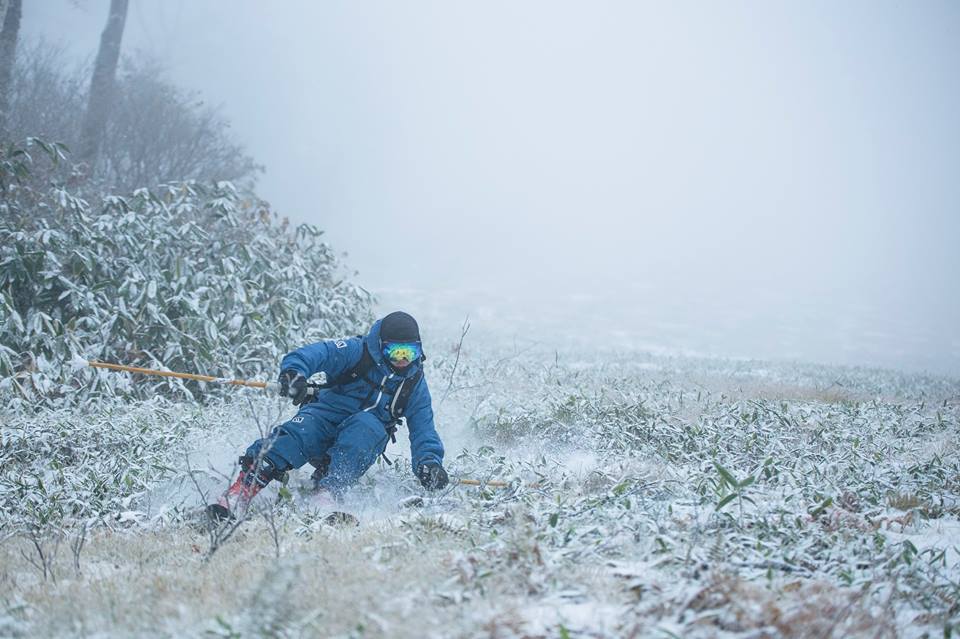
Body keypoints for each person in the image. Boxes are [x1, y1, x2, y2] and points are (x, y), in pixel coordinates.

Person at [218, 311, 448, 514]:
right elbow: (317, 354)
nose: (402, 360)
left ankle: (326, 495)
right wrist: (294, 373)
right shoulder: (357, 352)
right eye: (395, 352)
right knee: (297, 433)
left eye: (409, 352)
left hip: (361, 439)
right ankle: (239, 493)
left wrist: (429, 463)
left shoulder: (414, 383)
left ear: (419, 349)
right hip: (323, 420)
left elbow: (423, 428)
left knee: (366, 426)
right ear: (381, 345)